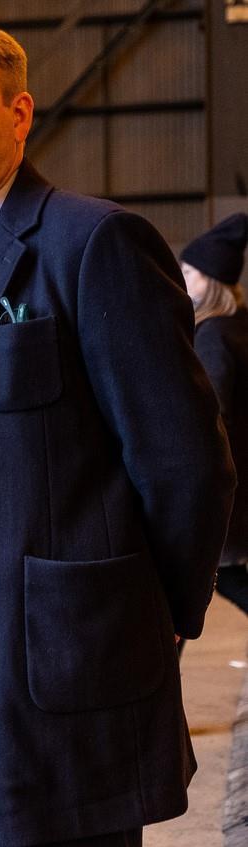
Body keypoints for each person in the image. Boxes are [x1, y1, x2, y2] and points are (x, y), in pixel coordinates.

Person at [0, 20, 235, 847]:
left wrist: (145, 625)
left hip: (60, 684)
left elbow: (186, 463)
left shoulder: (91, 241)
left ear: (19, 113)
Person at [183, 213, 248, 616]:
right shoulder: (240, 326)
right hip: (241, 480)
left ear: (211, 280)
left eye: (189, 272)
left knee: (198, 579)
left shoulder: (214, 336)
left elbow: (211, 411)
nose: (182, 278)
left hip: (225, 485)